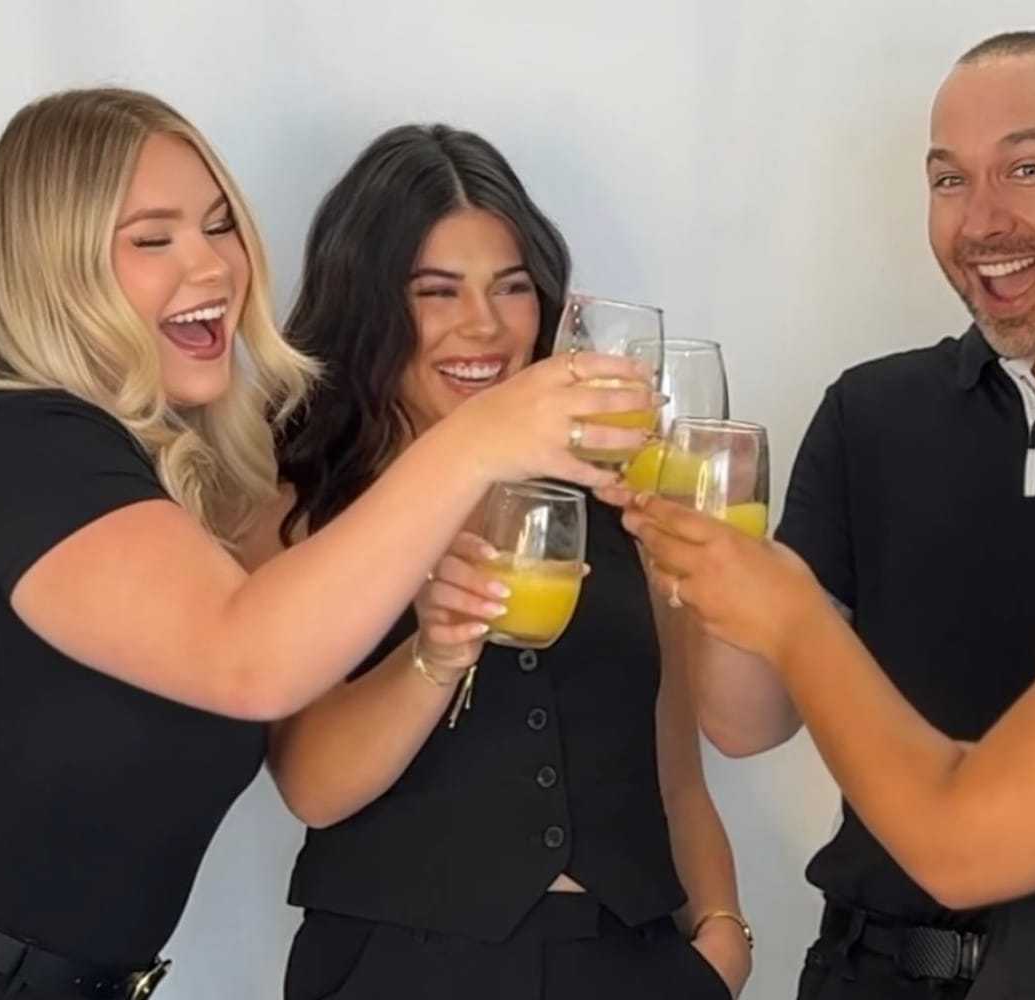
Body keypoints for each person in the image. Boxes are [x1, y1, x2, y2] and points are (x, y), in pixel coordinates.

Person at [0, 89, 651, 1000]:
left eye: (220, 227)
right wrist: (480, 440)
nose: (211, 265)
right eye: (152, 238)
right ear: (51, 266)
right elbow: (250, 657)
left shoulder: (156, 476)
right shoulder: (24, 440)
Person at [627, 67, 1035, 998]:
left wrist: (791, 613)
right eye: (948, 179)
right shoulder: (875, 411)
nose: (983, 224)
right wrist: (714, 580)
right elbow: (744, 721)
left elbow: (961, 840)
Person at [246, 123, 751, 1000]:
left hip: (631, 962)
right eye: (436, 292)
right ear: (367, 307)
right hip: (394, 971)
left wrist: (719, 937)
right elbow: (310, 784)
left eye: (511, 288)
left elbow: (676, 768)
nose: (482, 324)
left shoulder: (626, 491)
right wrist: (433, 655)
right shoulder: (296, 499)